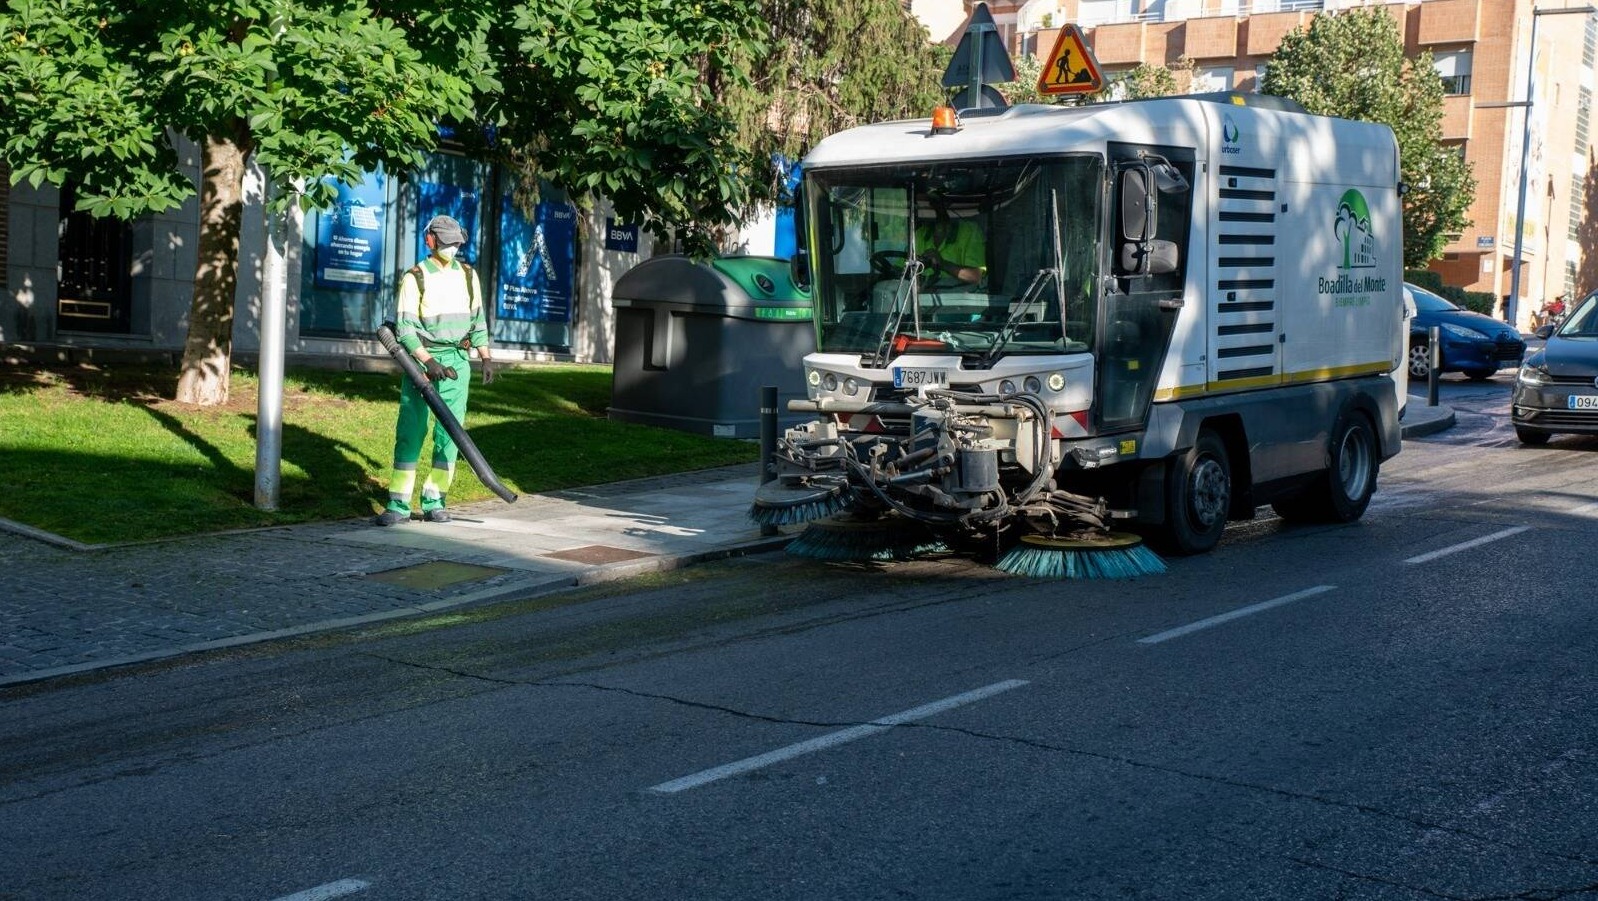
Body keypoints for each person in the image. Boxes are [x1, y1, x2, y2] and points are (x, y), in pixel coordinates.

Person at [374, 214, 495, 526]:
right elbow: (405, 328)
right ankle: (398, 505)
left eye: (456, 242)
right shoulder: (415, 278)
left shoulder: (469, 276)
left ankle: (435, 500)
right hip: (421, 364)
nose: (452, 247)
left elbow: (477, 320)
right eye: (446, 242)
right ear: (430, 241)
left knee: (450, 435)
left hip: (457, 361)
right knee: (411, 430)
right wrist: (428, 361)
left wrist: (485, 357)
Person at [914, 212, 986, 286]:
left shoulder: (970, 231)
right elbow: (903, 269)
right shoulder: (920, 233)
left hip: (958, 296)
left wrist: (942, 263)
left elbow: (976, 276)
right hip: (921, 295)